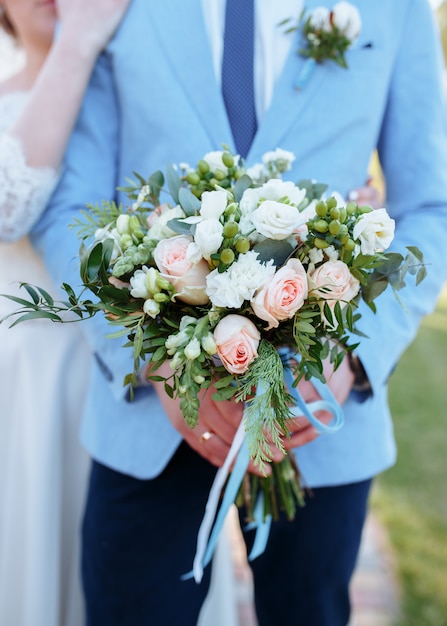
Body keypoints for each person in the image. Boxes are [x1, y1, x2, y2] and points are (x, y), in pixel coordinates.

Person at [30, 0, 447, 625]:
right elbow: (70, 206)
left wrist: (355, 359)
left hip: (318, 421)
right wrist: (153, 362)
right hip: (150, 423)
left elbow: (431, 208)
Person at [0, 1, 131, 625]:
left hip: (139, 367)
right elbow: (7, 208)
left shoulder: (136, 88)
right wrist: (76, 44)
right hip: (27, 380)